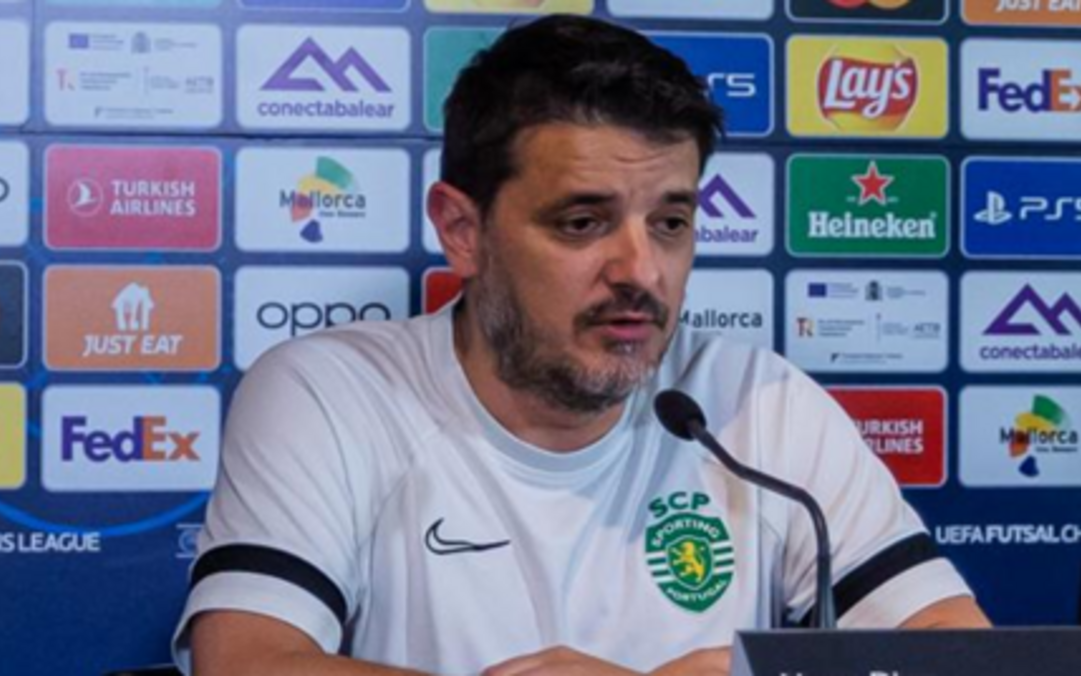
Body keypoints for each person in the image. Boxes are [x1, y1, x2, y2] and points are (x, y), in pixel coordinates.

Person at [173, 14, 989, 676]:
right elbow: (246, 660)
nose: (641, 271)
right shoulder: (334, 392)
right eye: (582, 222)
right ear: (462, 230)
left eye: (670, 222)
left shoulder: (756, 403)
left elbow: (961, 653)